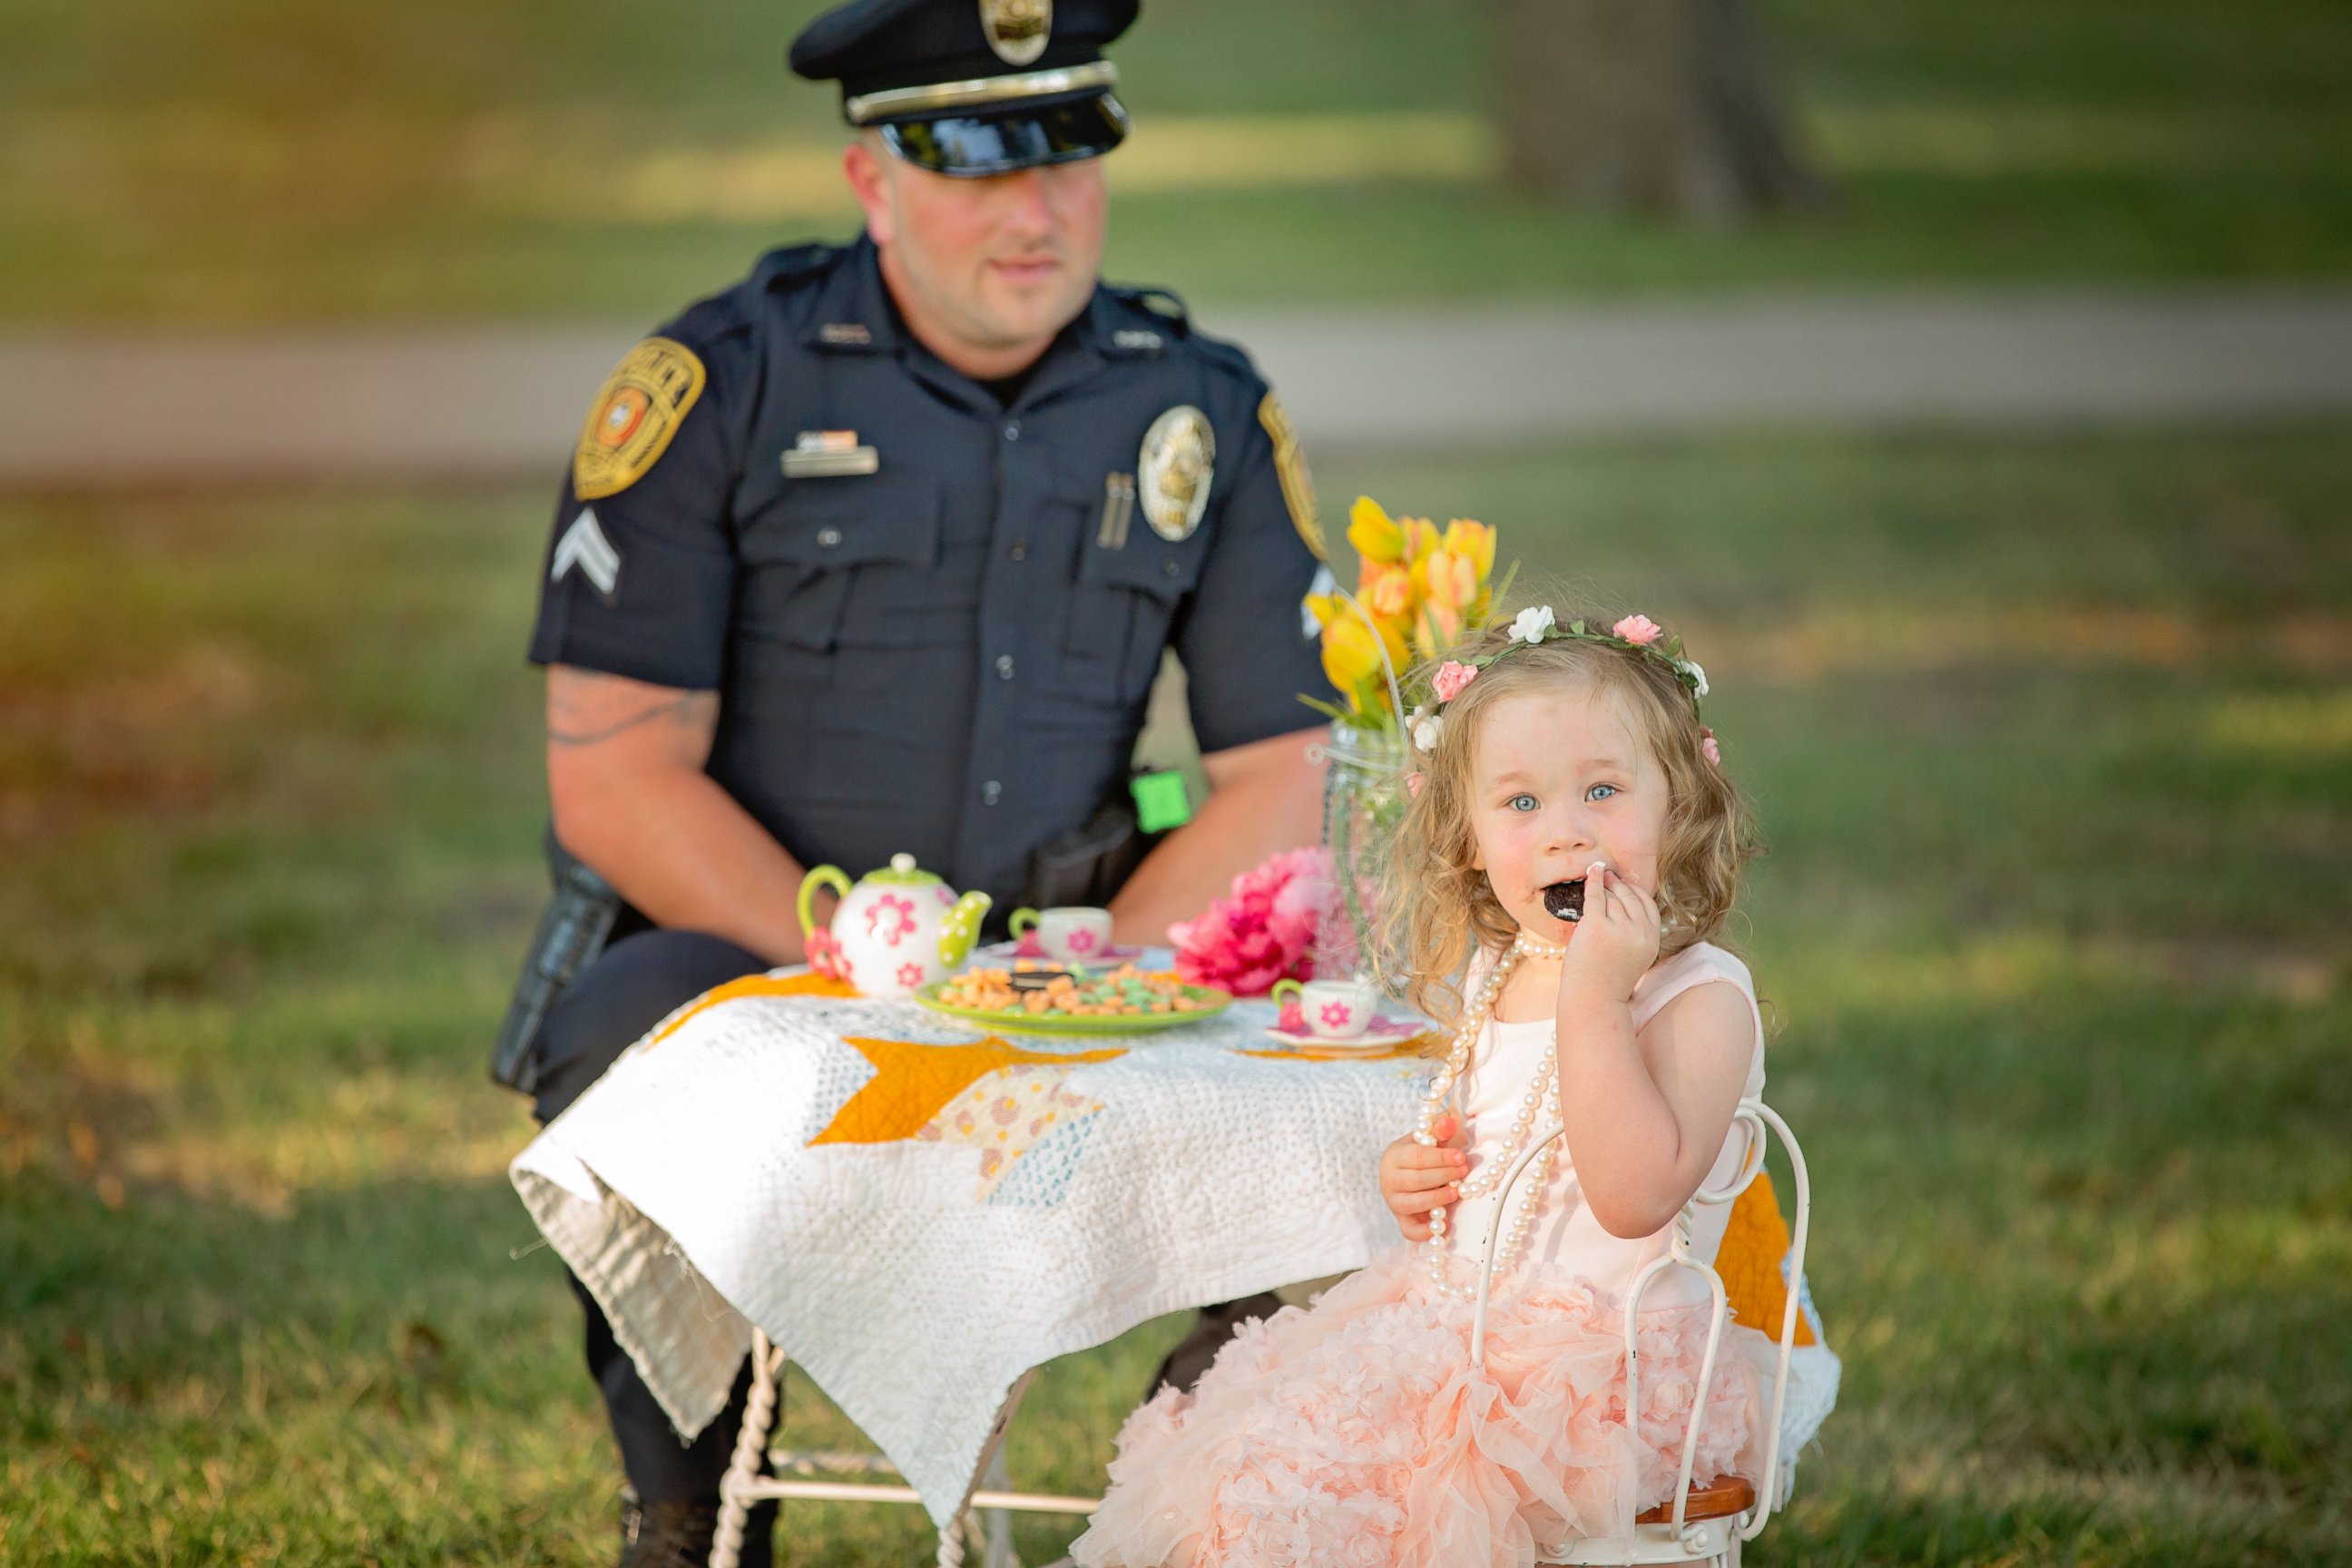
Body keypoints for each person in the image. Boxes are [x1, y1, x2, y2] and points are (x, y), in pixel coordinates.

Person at [514, 1, 1335, 1560]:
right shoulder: (719, 383)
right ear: (871, 179)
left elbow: (1282, 768)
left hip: (1078, 952)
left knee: (1323, 1044)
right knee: (613, 1032)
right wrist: (865, 975)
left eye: (1070, 158)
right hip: (763, 950)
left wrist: (1098, 975)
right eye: (976, 165)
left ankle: (1218, 1494)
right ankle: (686, 1509)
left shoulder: (1197, 403)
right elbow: (615, 780)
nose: (1034, 211)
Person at [1071, 609, 1780, 1568]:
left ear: (1679, 803)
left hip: (1599, 1383)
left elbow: (1630, 1195)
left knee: (1357, 1501)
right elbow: (1500, 1162)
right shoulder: (1502, 968)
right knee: (1253, 1471)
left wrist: (1597, 991)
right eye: (1521, 805)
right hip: (1453, 1332)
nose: (1566, 833)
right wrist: (1421, 1180)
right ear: (1474, 836)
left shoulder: (1699, 998)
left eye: (1602, 790)